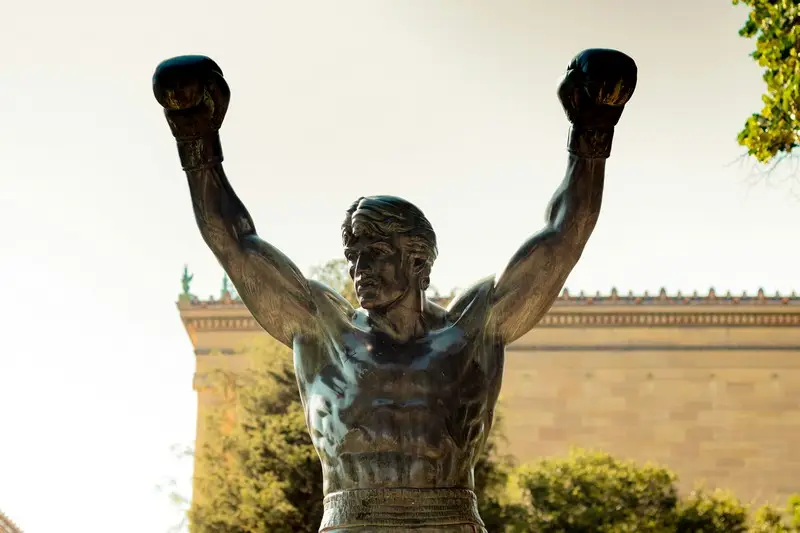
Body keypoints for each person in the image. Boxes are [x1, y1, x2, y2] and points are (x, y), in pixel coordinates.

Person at [153, 48, 637, 532]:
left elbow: (564, 236)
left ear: (418, 259)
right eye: (353, 255)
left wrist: (592, 135)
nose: (358, 268)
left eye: (375, 252)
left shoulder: (471, 332)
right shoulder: (325, 332)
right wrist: (197, 141)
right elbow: (235, 243)